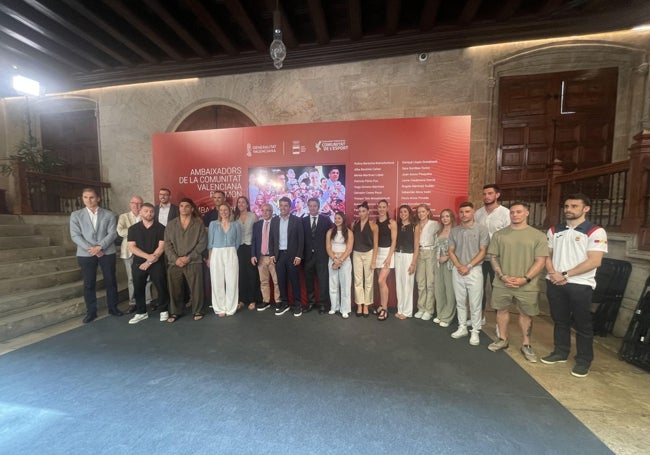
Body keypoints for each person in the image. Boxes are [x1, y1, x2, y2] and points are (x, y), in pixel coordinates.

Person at [542, 194, 607, 378]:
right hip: (554, 281)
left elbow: (595, 261)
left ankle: (583, 360)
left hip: (580, 284)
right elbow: (546, 254)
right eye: (566, 206)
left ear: (586, 208)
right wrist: (553, 273)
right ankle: (560, 352)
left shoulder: (595, 231)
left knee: (582, 324)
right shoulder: (555, 229)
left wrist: (566, 274)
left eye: (574, 206)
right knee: (559, 320)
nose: (569, 209)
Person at [486, 202, 548, 362]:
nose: (515, 215)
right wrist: (501, 276)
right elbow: (493, 257)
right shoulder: (499, 235)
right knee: (501, 310)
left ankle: (526, 344)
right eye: (512, 212)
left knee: (526, 314)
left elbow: (540, 260)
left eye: (519, 212)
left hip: (527, 284)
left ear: (527, 213)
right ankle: (502, 339)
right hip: (502, 282)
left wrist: (525, 279)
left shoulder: (538, 236)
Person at [70, 187, 121, 323]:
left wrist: (100, 247)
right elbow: (75, 235)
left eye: (91, 197)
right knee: (89, 283)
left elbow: (112, 233)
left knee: (110, 280)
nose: (88, 200)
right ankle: (91, 312)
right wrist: (91, 248)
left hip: (106, 251)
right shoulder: (76, 215)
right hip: (85, 254)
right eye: (85, 197)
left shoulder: (109, 214)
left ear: (98, 198)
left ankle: (113, 308)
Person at [448, 202, 490, 346]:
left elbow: (483, 251)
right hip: (458, 269)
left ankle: (475, 331)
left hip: (474, 270)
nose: (464, 214)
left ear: (473, 213)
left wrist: (469, 266)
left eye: (467, 211)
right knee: (460, 301)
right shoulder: (454, 231)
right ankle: (462, 327)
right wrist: (459, 266)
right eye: (461, 212)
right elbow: (451, 251)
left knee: (475, 303)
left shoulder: (481, 229)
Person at [165, 198, 207, 322]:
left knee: (196, 288)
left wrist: (189, 257)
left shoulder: (198, 223)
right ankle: (175, 312)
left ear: (192, 209)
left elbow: (202, 243)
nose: (183, 208)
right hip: (175, 262)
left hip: (193, 261)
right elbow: (167, 244)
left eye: (187, 206)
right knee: (174, 288)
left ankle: (198, 310)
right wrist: (175, 259)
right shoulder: (171, 224)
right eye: (181, 206)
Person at [127, 202, 170, 324]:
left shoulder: (161, 228)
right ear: (140, 212)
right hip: (139, 263)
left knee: (161, 286)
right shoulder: (133, 229)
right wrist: (147, 258)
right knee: (138, 287)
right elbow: (132, 247)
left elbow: (161, 247)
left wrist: (149, 261)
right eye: (146, 211)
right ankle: (141, 312)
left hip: (157, 262)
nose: (149, 213)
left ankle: (163, 310)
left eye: (151, 211)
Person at [474, 184, 511, 318]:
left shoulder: (505, 213)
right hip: (480, 258)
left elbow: (510, 235)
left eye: (490, 193)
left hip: (497, 258)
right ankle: (480, 317)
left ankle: (498, 321)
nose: (487, 196)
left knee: (497, 290)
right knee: (479, 289)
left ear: (497, 195)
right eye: (484, 194)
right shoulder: (478, 213)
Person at [269, 196, 304, 316]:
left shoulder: (297, 220)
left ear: (290, 207)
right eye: (281, 205)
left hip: (292, 256)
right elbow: (271, 239)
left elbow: (301, 240)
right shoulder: (274, 221)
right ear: (279, 206)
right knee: (281, 281)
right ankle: (284, 303)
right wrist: (272, 254)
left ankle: (297, 304)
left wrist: (299, 256)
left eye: (286, 205)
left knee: (294, 280)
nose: (283, 208)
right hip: (279, 256)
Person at [117, 195, 151, 313]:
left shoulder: (146, 215)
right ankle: (133, 302)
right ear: (130, 204)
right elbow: (120, 232)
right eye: (134, 203)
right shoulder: (123, 216)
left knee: (147, 278)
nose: (137, 206)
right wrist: (135, 230)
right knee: (131, 278)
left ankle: (147, 301)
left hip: (145, 252)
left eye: (139, 204)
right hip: (128, 252)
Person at [208, 203, 241, 317]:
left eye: (225, 210)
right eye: (221, 210)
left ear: (230, 211)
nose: (223, 212)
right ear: (219, 212)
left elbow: (238, 242)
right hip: (216, 253)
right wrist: (210, 258)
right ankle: (220, 308)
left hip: (231, 252)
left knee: (232, 281)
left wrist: (230, 251)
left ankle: (230, 307)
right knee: (217, 281)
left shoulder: (236, 225)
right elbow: (210, 243)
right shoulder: (213, 224)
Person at [302, 197, 333, 313]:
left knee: (323, 281)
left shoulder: (326, 220)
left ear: (318, 207)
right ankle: (310, 303)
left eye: (315, 206)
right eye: (310, 206)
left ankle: (323, 304)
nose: (312, 208)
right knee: (309, 281)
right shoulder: (303, 221)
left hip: (322, 256)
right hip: (308, 257)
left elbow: (331, 237)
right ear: (308, 207)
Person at [251, 203, 280, 311]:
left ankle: (278, 301)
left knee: (276, 281)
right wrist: (253, 255)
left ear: (272, 212)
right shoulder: (257, 224)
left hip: (273, 257)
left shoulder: (277, 223)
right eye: (263, 210)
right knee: (263, 281)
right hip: (261, 257)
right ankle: (266, 300)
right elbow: (254, 241)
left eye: (268, 210)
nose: (265, 212)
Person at [352, 201, 378, 318]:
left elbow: (376, 244)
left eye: (363, 211)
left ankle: (366, 305)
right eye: (359, 211)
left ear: (368, 212)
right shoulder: (354, 224)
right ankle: (359, 305)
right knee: (358, 280)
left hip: (369, 253)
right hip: (356, 253)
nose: (361, 213)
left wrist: (374, 261)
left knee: (368, 280)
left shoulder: (373, 225)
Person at [414, 204, 440, 321]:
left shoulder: (434, 224)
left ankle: (429, 310)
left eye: (423, 212)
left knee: (430, 282)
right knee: (420, 281)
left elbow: (440, 239)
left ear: (428, 212)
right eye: (419, 212)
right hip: (420, 253)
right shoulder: (417, 225)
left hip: (430, 252)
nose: (421, 214)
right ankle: (421, 308)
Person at [234, 196, 260, 311]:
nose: (241, 204)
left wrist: (255, 251)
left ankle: (252, 300)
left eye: (243, 202)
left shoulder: (253, 216)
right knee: (241, 274)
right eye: (239, 202)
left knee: (252, 274)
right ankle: (242, 300)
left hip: (250, 248)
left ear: (247, 204)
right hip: (239, 248)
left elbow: (257, 235)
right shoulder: (234, 217)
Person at [326, 211, 354, 318]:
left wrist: (340, 260)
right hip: (332, 259)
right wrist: (334, 259)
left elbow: (349, 249)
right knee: (333, 284)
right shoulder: (330, 232)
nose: (337, 220)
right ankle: (334, 307)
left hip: (345, 260)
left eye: (339, 218)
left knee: (345, 285)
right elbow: (328, 247)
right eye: (335, 218)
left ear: (343, 219)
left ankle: (345, 309)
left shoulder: (349, 232)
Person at [433, 208, 456, 327]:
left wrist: (447, 257)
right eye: (442, 217)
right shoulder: (438, 232)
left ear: (452, 217)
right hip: (438, 265)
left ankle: (447, 317)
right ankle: (440, 314)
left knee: (450, 290)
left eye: (447, 216)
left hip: (450, 264)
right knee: (439, 290)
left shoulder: (456, 231)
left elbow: (458, 249)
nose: (445, 218)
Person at [394, 205, 418, 319]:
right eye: (401, 212)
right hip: (397, 254)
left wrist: (413, 263)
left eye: (405, 212)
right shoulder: (397, 225)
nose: (403, 214)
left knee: (408, 284)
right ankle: (400, 309)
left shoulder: (415, 226)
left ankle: (407, 311)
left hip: (409, 256)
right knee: (399, 283)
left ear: (409, 213)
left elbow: (416, 246)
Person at [375, 199, 397, 321]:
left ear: (387, 208)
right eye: (380, 207)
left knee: (380, 280)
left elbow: (394, 241)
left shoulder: (391, 223)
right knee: (381, 283)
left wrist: (389, 257)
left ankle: (385, 309)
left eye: (384, 207)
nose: (381, 209)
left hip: (387, 253)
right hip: (377, 253)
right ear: (377, 209)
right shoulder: (375, 223)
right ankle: (382, 306)